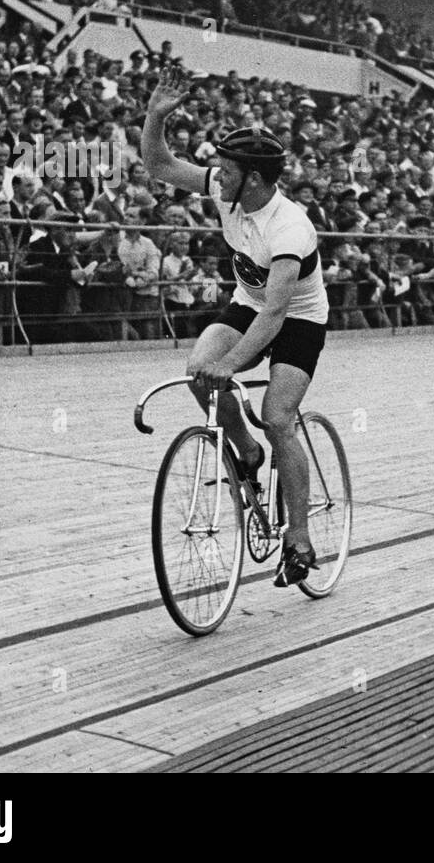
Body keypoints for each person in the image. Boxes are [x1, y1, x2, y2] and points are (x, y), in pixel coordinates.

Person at [141, 66, 329, 589]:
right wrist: (155, 116)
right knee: (199, 370)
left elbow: (275, 314)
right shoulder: (228, 192)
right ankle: (245, 451)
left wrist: (232, 365)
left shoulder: (290, 227)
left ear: (253, 178)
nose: (216, 176)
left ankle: (300, 537)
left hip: (297, 319)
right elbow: (158, 164)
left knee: (278, 415)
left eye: (226, 171)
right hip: (249, 302)